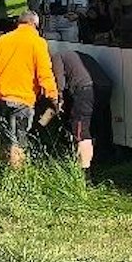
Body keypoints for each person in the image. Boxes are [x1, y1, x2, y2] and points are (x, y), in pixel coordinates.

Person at [0, 10, 57, 168]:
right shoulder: (38, 43)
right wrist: (53, 97)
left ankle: (2, 175)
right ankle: (15, 182)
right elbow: (45, 74)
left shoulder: (0, 41)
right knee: (18, 142)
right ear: (35, 25)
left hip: (0, 99)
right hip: (23, 101)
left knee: (4, 140)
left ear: (18, 23)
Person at [44, 40, 97, 174]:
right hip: (102, 87)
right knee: (95, 126)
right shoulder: (74, 55)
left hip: (84, 90)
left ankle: (85, 174)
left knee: (80, 131)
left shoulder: (57, 57)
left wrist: (57, 102)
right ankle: (103, 160)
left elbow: (59, 84)